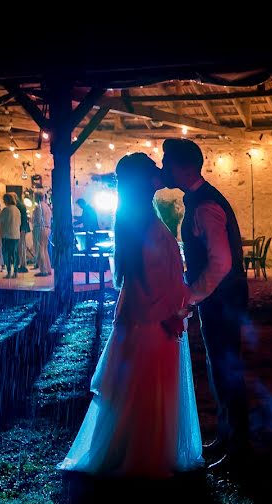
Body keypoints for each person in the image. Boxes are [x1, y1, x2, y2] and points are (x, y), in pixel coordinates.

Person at [58, 153, 203, 478]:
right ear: (143, 180)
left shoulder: (139, 218)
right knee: (147, 392)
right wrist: (175, 310)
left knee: (141, 392)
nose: (160, 172)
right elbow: (148, 284)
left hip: (150, 321)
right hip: (154, 323)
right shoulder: (143, 223)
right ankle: (143, 456)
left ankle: (139, 450)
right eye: (154, 169)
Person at [161, 138, 249, 469]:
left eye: (167, 161)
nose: (163, 166)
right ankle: (228, 436)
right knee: (218, 366)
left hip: (223, 299)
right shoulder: (200, 201)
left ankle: (238, 446)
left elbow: (221, 263)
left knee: (227, 369)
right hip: (220, 299)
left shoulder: (206, 206)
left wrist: (191, 296)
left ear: (183, 167)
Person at [0, 193, 21, 279]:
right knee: (14, 254)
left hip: (7, 235)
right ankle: (15, 272)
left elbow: (0, 221)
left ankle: (8, 272)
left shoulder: (6, 210)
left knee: (7, 254)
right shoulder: (17, 210)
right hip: (16, 235)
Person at [32, 197, 52, 276]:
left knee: (40, 249)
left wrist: (32, 220)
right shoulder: (47, 206)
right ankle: (48, 268)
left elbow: (38, 219)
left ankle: (43, 270)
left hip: (39, 228)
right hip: (47, 228)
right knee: (45, 249)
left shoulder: (38, 207)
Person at [16, 196, 31, 273]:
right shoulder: (21, 205)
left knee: (21, 247)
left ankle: (22, 265)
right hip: (23, 228)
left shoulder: (18, 206)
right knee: (22, 246)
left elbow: (20, 219)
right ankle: (23, 264)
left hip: (21, 228)